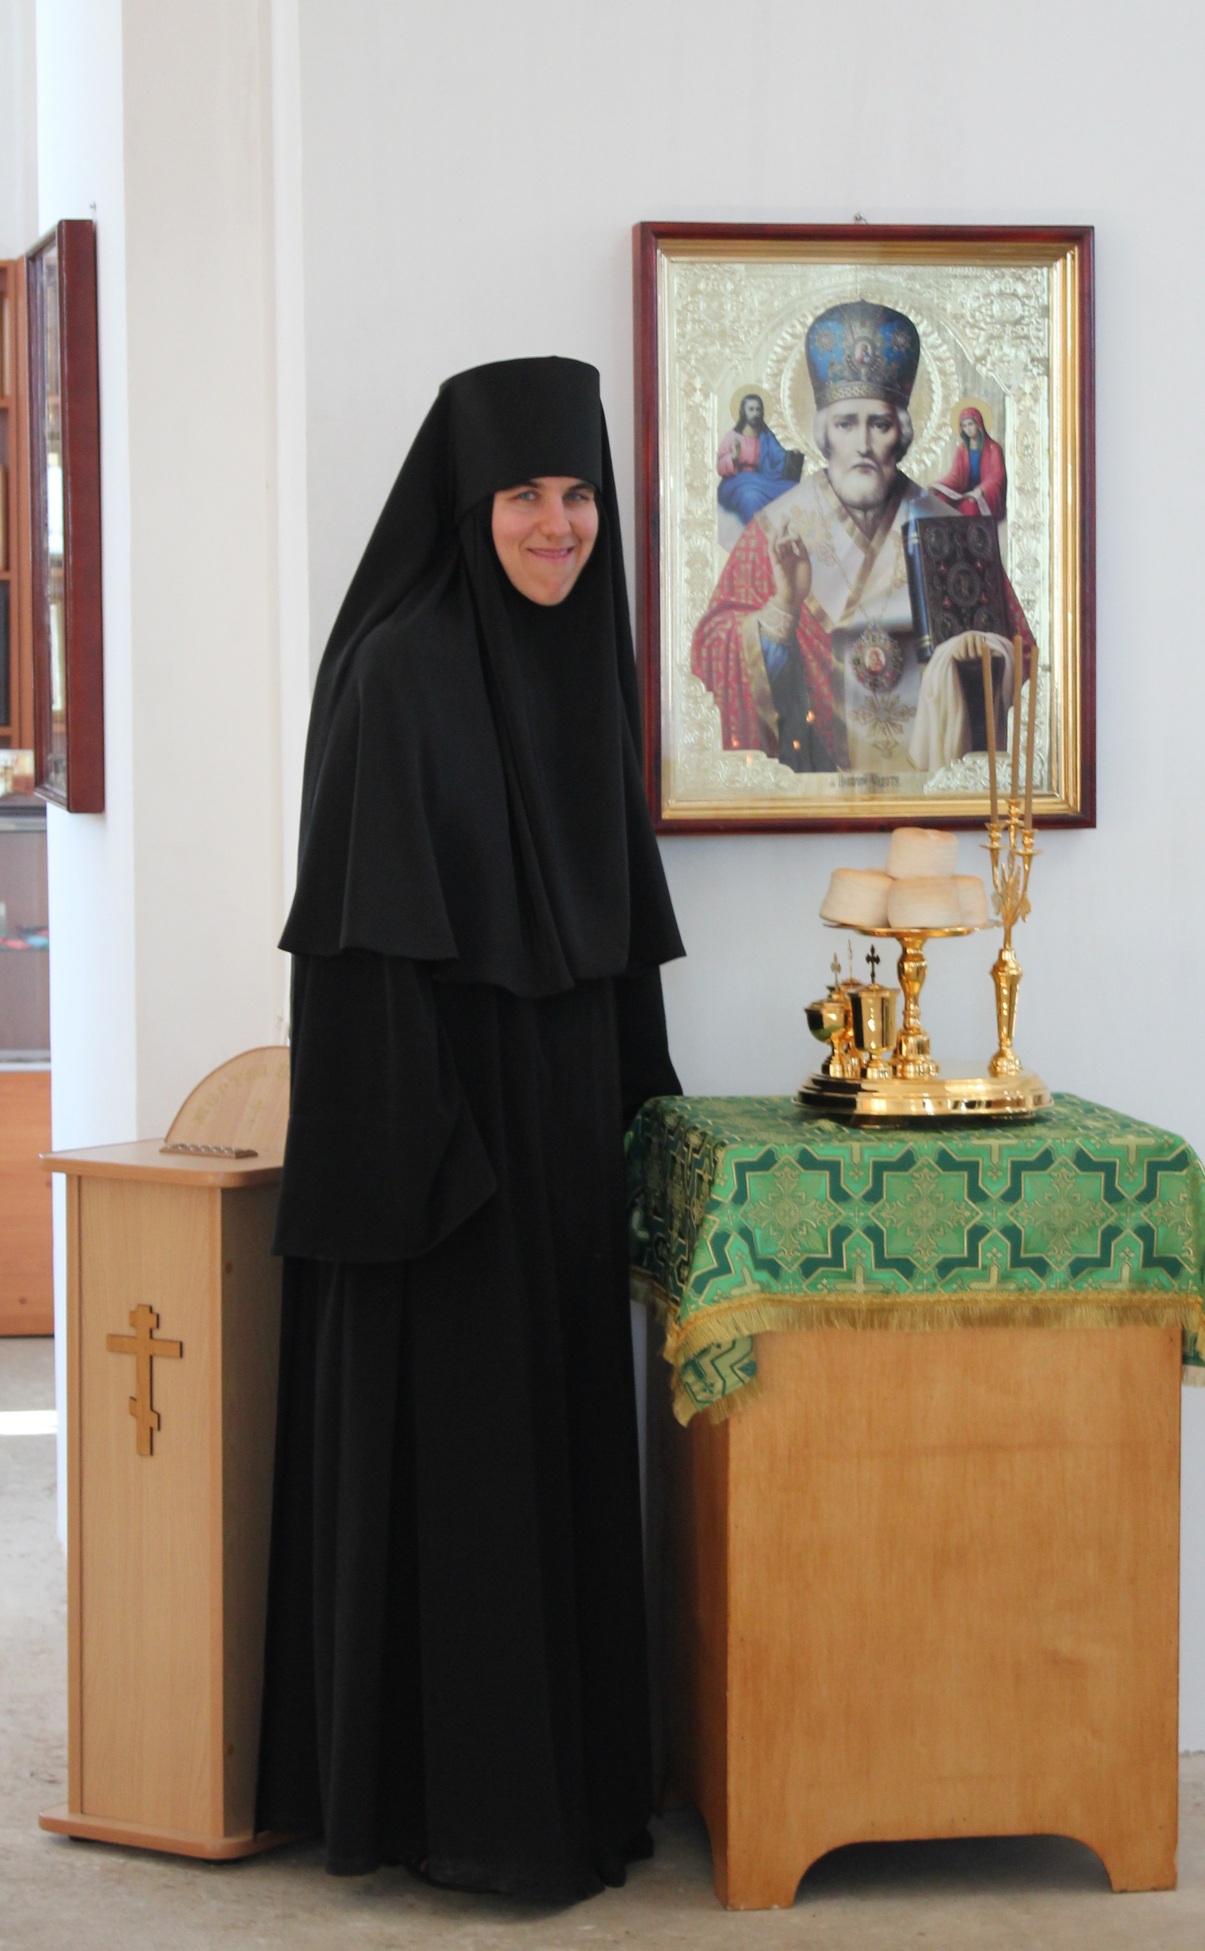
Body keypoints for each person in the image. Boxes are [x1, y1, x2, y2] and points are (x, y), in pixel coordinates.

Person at [256, 357, 685, 1906]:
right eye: (523, 495)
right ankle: (465, 1816)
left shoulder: (581, 658)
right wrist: (435, 1165)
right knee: (468, 1475)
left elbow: (609, 936)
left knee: (558, 1460)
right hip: (444, 1156)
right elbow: (359, 959)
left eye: (577, 493)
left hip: (557, 1138)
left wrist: (632, 1117)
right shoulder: (401, 668)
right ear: (466, 503)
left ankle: (570, 1793)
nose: (557, 525)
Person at [689, 302, 1033, 776]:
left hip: (934, 788)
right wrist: (783, 607)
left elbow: (1022, 652)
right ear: (824, 435)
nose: (864, 445)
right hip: (814, 780)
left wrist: (980, 658)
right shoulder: (775, 529)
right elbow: (712, 651)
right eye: (846, 423)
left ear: (902, 435)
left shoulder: (950, 529)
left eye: (880, 424)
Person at [715, 391, 794, 527]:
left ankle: (783, 529)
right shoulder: (732, 436)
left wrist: (791, 456)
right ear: (743, 412)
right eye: (751, 409)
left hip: (763, 479)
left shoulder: (766, 436)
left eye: (758, 409)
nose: (755, 413)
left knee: (792, 489)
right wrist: (733, 457)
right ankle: (758, 533)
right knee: (751, 497)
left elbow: (778, 456)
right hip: (737, 482)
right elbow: (720, 466)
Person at [934, 401, 1007, 518]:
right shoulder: (962, 449)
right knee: (940, 499)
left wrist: (981, 490)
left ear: (979, 424)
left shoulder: (994, 448)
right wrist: (938, 486)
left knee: (969, 506)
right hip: (964, 494)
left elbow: (997, 477)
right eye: (964, 426)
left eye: (970, 424)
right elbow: (955, 476)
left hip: (984, 495)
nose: (968, 429)